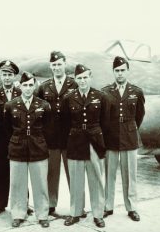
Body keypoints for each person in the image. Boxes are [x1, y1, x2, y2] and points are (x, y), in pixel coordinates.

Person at [61, 64, 108, 228]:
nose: (82, 81)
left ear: (90, 77)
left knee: (96, 179)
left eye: (85, 77)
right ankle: (75, 212)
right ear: (75, 79)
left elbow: (106, 122)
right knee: (75, 180)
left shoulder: (101, 96)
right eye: (79, 78)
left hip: (94, 142)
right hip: (75, 142)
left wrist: (103, 144)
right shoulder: (68, 98)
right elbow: (65, 123)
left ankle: (98, 214)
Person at [4, 71, 51, 228]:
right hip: (17, 147)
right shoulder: (10, 105)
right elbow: (7, 128)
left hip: (38, 147)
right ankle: (18, 213)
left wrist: (40, 140)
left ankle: (43, 214)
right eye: (25, 85)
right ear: (20, 86)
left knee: (40, 184)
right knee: (17, 183)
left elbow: (48, 127)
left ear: (35, 86)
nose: (28, 88)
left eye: (31, 85)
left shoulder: (43, 105)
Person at [102, 56, 145, 222]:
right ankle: (108, 206)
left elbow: (139, 115)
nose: (120, 73)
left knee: (130, 175)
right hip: (111, 137)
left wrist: (130, 128)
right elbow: (103, 116)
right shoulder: (106, 91)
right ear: (113, 72)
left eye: (122, 70)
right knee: (109, 174)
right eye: (117, 70)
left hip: (129, 137)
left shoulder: (137, 92)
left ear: (128, 71)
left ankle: (132, 207)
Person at [37, 51, 77, 217]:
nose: (57, 68)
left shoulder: (74, 84)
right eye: (54, 65)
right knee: (51, 173)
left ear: (65, 64)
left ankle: (77, 205)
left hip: (71, 137)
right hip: (51, 137)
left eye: (59, 64)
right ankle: (51, 205)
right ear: (50, 66)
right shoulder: (44, 87)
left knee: (73, 173)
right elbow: (39, 111)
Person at [0, 60, 21, 215]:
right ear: (0, 76)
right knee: (1, 171)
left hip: (18, 139)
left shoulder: (21, 93)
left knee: (19, 171)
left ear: (14, 76)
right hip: (0, 140)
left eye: (9, 75)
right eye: (4, 75)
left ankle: (23, 202)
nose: (7, 78)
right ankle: (0, 204)